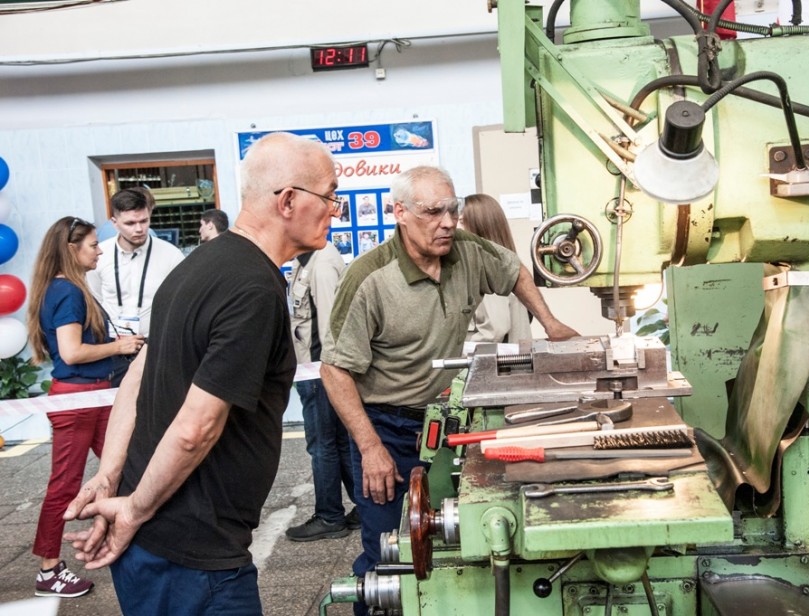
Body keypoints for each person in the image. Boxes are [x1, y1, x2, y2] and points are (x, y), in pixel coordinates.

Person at [63, 132, 340, 615]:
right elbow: (196, 428)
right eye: (330, 196)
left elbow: (136, 378)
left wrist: (112, 479)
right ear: (288, 201)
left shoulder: (196, 265)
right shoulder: (254, 289)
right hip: (193, 554)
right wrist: (132, 509)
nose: (335, 210)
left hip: (158, 540)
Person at [319, 165, 578, 615]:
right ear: (400, 213)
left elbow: (514, 269)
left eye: (452, 210)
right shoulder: (369, 278)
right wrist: (370, 448)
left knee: (448, 545)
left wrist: (551, 323)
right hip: (385, 427)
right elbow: (334, 370)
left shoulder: (466, 251)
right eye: (433, 212)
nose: (447, 223)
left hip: (443, 421)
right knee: (388, 554)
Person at [25, 216, 145, 599]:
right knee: (64, 486)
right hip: (80, 400)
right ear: (71, 249)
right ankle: (49, 570)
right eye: (93, 245)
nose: (99, 251)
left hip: (93, 397)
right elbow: (72, 352)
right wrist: (120, 346)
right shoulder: (68, 293)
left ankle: (134, 538)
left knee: (128, 467)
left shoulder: (64, 289)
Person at [285, 241, 360, 542]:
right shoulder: (304, 261)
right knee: (337, 442)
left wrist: (330, 374)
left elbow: (331, 326)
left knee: (322, 445)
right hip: (311, 369)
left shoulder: (322, 265)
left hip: (319, 371)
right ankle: (365, 506)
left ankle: (329, 516)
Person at [87, 186, 184, 384]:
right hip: (114, 349)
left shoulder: (171, 255)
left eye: (144, 221)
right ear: (114, 223)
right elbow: (96, 299)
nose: (139, 229)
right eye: (130, 223)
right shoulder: (100, 255)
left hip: (156, 347)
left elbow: (180, 303)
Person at [460, 194, 532, 344]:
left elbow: (493, 332)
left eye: (460, 221)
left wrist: (450, 351)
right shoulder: (504, 266)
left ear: (479, 226)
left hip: (489, 358)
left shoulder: (487, 269)